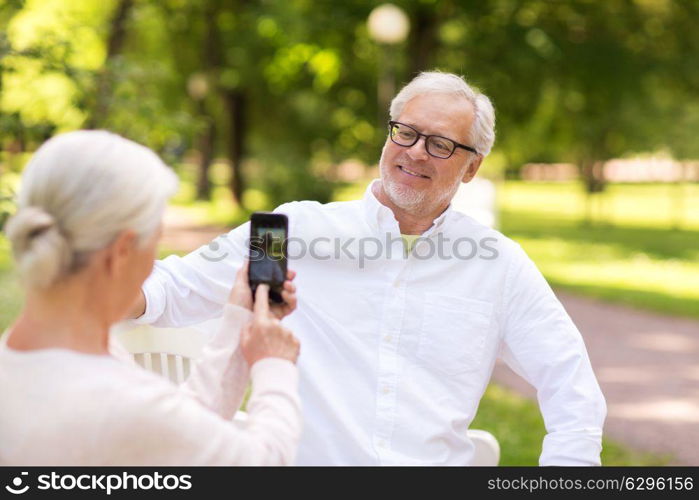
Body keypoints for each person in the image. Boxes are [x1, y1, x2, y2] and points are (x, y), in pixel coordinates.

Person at [130, 71, 606, 465]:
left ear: (472, 167)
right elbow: (170, 291)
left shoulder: (497, 264)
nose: (416, 151)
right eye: (407, 132)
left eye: (441, 144)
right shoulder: (292, 230)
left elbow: (571, 384)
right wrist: (76, 282)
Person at [0, 130, 302, 465]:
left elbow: (181, 429)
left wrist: (240, 319)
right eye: (156, 241)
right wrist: (274, 363)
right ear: (122, 252)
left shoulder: (30, 361)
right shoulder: (122, 402)